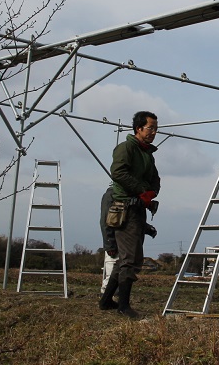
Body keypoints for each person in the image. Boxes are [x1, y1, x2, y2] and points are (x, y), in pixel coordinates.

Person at [99, 111, 160, 318]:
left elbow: (155, 179)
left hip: (137, 208)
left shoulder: (147, 153)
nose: (153, 132)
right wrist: (141, 191)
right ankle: (123, 306)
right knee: (131, 259)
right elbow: (118, 172)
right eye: (150, 128)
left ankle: (106, 301)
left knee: (126, 258)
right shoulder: (126, 148)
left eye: (155, 129)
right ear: (138, 128)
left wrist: (151, 193)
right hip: (125, 208)